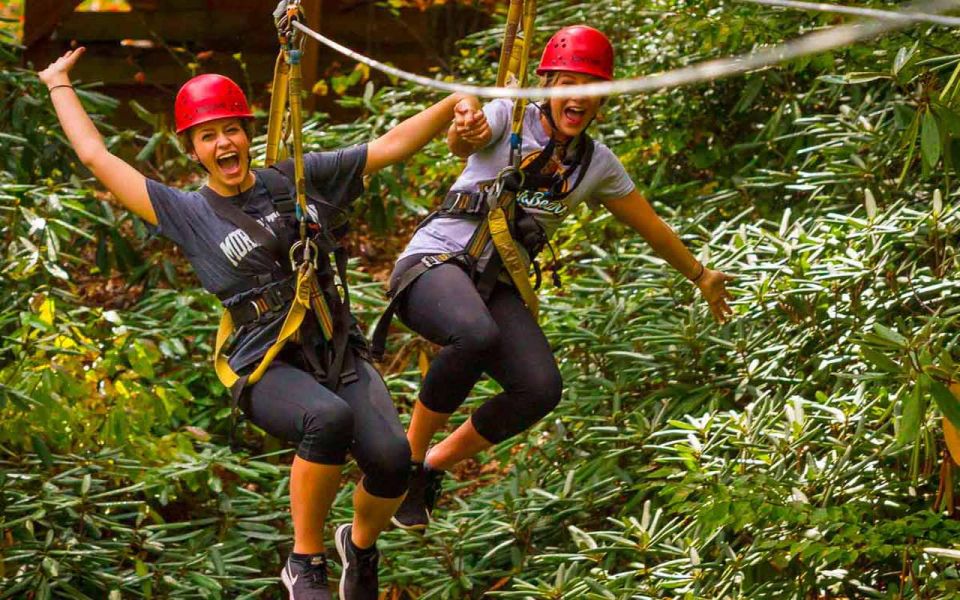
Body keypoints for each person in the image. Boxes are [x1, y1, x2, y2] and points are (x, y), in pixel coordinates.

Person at [39, 47, 479, 600]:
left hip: (334, 348)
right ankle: (305, 562)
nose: (224, 143)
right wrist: (58, 84)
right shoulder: (188, 214)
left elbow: (387, 147)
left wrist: (455, 103)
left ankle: (359, 547)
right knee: (326, 419)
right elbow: (96, 156)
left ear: (247, 133)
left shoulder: (294, 179)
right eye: (207, 136)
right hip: (266, 362)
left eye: (231, 130)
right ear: (194, 150)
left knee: (393, 462)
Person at [382, 25, 734, 531]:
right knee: (475, 334)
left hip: (493, 284)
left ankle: (434, 464)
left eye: (591, 89)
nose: (579, 97)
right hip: (435, 263)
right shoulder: (508, 117)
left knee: (540, 388)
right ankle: (408, 464)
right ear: (546, 84)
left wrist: (700, 275)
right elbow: (464, 138)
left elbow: (652, 227)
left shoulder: (597, 166)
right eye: (569, 82)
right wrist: (467, 127)